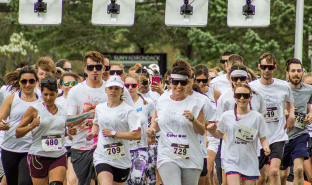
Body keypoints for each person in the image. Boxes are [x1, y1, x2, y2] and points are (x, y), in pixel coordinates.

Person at [147, 59, 206, 185]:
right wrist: (152, 130)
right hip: (167, 155)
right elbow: (156, 124)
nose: (179, 86)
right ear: (170, 82)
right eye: (175, 82)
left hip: (191, 156)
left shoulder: (196, 103)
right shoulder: (162, 100)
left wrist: (193, 120)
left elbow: (201, 131)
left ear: (187, 83)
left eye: (183, 82)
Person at [207, 84, 271, 185]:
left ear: (250, 98)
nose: (242, 98)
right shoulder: (227, 116)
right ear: (234, 97)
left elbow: (263, 138)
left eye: (245, 96)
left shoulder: (257, 117)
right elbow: (219, 134)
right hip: (231, 159)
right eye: (238, 95)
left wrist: (266, 147)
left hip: (249, 160)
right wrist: (211, 130)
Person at [249, 52, 295, 185]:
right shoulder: (252, 87)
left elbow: (289, 102)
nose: (266, 70)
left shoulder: (283, 86)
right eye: (264, 67)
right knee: (261, 177)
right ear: (259, 67)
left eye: (269, 67)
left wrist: (291, 115)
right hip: (259, 136)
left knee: (274, 172)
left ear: (275, 67)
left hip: (277, 135)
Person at [86, 75, 141, 185]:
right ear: (106, 90)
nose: (113, 91)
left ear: (122, 91)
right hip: (102, 156)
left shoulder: (128, 110)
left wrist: (114, 134)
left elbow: (137, 135)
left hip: (121, 159)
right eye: (111, 88)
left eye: (117, 88)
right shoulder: (100, 108)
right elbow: (97, 123)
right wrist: (92, 132)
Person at [15, 78, 68, 185]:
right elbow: (18, 132)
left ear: (57, 93)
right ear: (42, 93)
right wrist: (31, 126)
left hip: (58, 155)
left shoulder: (63, 110)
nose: (48, 98)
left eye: (52, 95)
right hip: (38, 156)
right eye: (45, 94)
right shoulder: (34, 109)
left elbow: (61, 131)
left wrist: (69, 132)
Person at [66, 51, 108, 185]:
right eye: (90, 68)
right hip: (81, 146)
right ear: (85, 69)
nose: (95, 71)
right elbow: (68, 121)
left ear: (104, 69)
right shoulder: (76, 91)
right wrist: (87, 115)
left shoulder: (111, 89)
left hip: (105, 145)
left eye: (98, 67)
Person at [0, 66, 40, 185]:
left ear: (36, 82)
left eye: (31, 81)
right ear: (19, 82)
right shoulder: (11, 99)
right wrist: (1, 124)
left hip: (30, 148)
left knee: (24, 182)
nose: (27, 84)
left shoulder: (41, 100)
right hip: (10, 148)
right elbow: (1, 119)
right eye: (24, 81)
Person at [279, 59, 312, 185]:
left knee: (298, 170)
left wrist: (310, 114)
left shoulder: (308, 90)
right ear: (287, 74)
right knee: (282, 175)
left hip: (300, 134)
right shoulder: (281, 89)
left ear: (303, 73)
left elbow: (308, 104)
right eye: (293, 71)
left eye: (299, 71)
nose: (296, 73)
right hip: (283, 135)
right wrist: (284, 113)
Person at [124, 73, 155, 185]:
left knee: (136, 180)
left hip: (141, 147)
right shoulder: (119, 103)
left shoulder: (147, 103)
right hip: (123, 148)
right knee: (125, 182)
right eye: (127, 85)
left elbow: (155, 120)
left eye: (133, 85)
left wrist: (152, 130)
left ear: (139, 86)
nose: (130, 88)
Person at [57, 72, 80, 185]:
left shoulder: (81, 100)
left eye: (73, 83)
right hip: (58, 145)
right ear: (60, 86)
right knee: (62, 181)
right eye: (67, 83)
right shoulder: (55, 101)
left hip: (74, 144)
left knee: (71, 181)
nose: (70, 86)